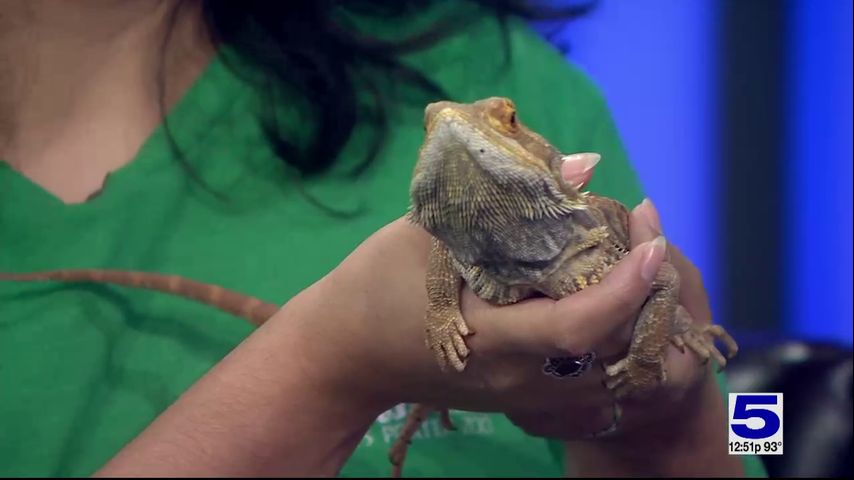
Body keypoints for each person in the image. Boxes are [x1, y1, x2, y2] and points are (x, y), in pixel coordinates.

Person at [0, 0, 767, 477]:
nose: (462, 128)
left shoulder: (481, 54)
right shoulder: (448, 247)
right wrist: (327, 368)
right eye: (439, 129)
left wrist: (689, 416)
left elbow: (757, 442)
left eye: (494, 122)